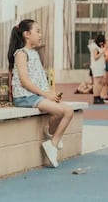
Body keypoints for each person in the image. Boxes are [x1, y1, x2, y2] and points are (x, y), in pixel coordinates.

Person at [7, 19, 73, 168]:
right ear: (27, 34)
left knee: (68, 111)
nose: (41, 34)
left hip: (38, 95)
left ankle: (52, 138)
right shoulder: (21, 54)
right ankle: (52, 142)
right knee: (60, 111)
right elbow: (25, 81)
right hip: (25, 96)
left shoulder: (35, 53)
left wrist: (51, 93)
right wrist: (45, 94)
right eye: (37, 31)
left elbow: (41, 78)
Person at [89, 35, 106, 104]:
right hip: (96, 67)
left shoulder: (98, 47)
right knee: (96, 82)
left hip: (100, 66)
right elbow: (95, 57)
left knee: (100, 82)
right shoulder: (94, 47)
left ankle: (98, 96)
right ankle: (95, 97)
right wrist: (102, 51)